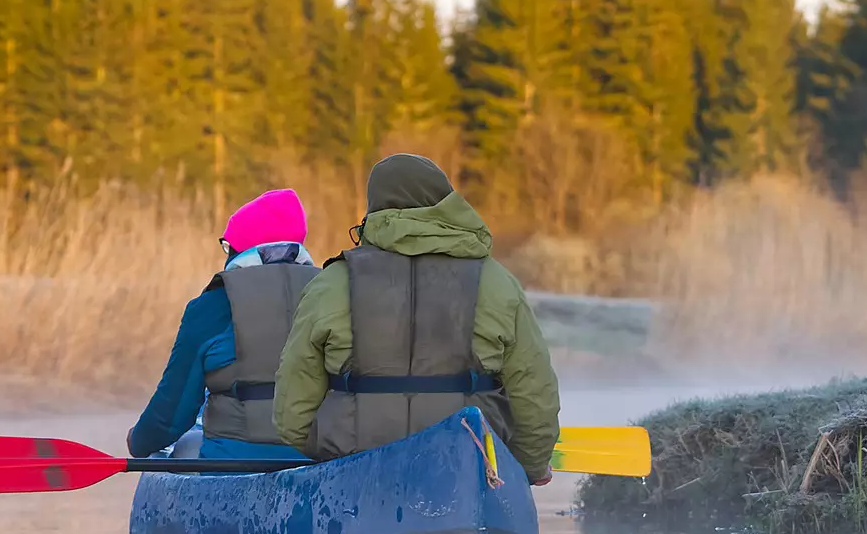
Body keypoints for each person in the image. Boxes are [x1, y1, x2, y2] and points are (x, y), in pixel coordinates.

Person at [274, 154, 559, 483]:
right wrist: (530, 467)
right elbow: (534, 393)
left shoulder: (332, 282)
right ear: (446, 203)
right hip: (468, 468)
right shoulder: (496, 282)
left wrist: (325, 449)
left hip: (354, 472)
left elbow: (291, 414)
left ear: (374, 208)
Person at [128, 188, 319, 460]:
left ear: (240, 248)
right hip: (318, 458)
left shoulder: (212, 305)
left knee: (176, 449)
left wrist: (138, 441)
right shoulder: (331, 292)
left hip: (232, 460)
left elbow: (172, 414)